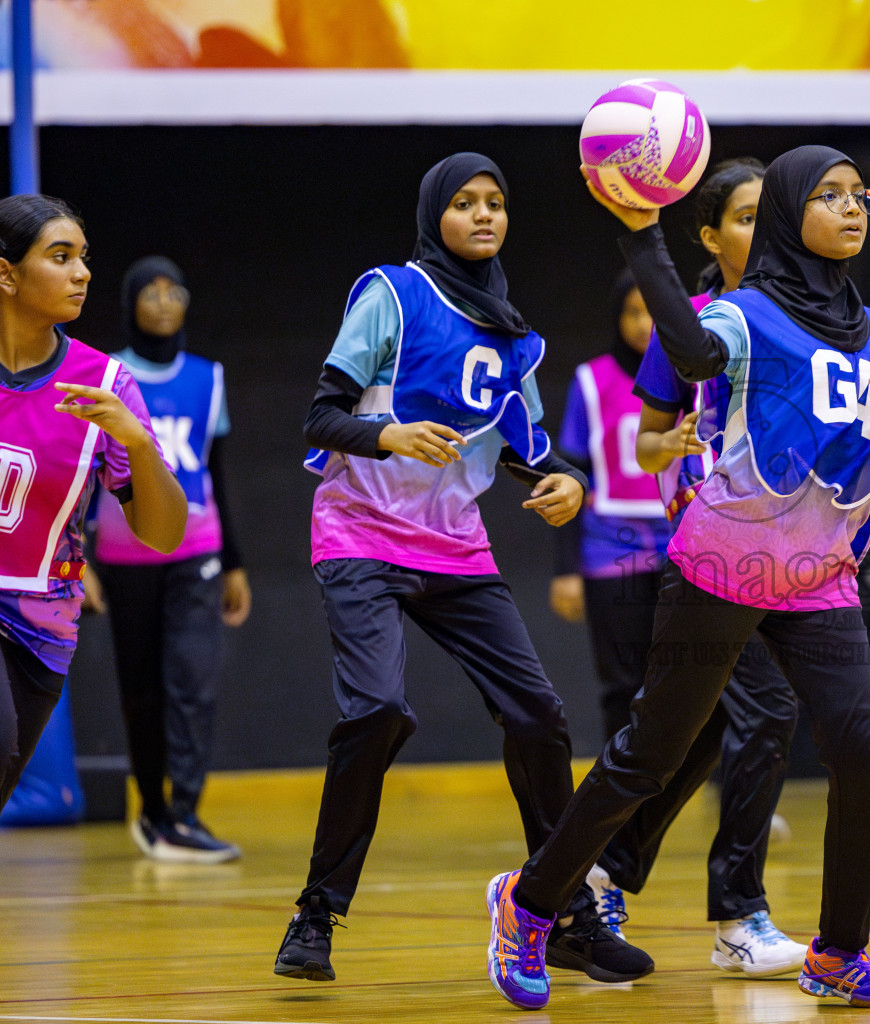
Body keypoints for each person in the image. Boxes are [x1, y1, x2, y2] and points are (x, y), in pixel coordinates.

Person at [486, 145, 870, 1011]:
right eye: (828, 196)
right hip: (719, 568)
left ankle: (837, 953)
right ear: (791, 211)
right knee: (651, 755)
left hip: (819, 579)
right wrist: (642, 238)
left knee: (864, 756)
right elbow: (686, 359)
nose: (851, 208)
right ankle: (528, 902)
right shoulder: (742, 314)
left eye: (859, 195)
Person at [273, 153, 652, 988]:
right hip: (361, 534)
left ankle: (563, 916)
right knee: (376, 711)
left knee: (540, 716)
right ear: (433, 214)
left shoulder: (510, 330)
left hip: (453, 546)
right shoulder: (392, 294)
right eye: (465, 203)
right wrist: (388, 435)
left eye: (496, 203)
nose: (484, 215)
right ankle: (316, 914)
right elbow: (322, 414)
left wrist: (566, 482)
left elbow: (534, 450)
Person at [552, 214, 804, 975]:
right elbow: (644, 445)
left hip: (770, 555)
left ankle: (587, 874)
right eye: (747, 215)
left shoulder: (794, 324)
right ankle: (737, 916)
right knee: (752, 713)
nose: (764, 231)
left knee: (690, 733)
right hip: (690, 552)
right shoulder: (693, 330)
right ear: (709, 234)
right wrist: (683, 446)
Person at [0, 194, 187, 813]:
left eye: (83, 258)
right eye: (60, 257)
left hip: (39, 632)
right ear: (6, 274)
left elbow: (162, 534)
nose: (82, 273)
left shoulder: (105, 386)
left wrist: (137, 443)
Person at [88, 255, 251, 863]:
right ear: (129, 303)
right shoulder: (105, 375)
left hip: (198, 551)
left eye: (172, 290)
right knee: (141, 687)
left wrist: (233, 561)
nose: (162, 301)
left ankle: (183, 813)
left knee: (193, 679)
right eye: (148, 292)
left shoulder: (209, 377)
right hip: (125, 551)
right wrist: (81, 561)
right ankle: (152, 813)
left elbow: (215, 473)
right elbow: (83, 472)